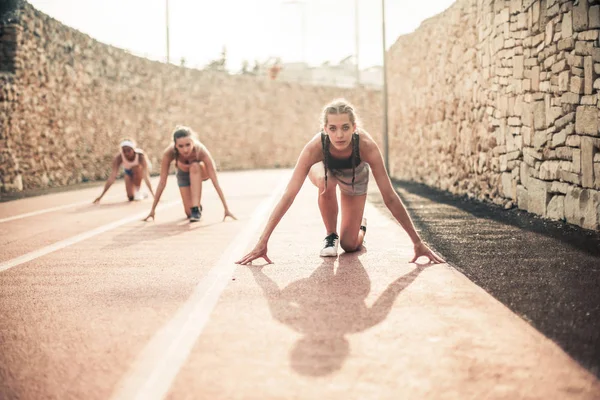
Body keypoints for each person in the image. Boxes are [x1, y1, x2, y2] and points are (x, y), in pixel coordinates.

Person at [237, 98, 444, 264]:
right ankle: (330, 235)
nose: (339, 134)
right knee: (327, 181)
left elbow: (389, 196)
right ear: (325, 129)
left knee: (350, 246)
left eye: (345, 127)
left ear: (354, 127)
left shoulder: (367, 146)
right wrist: (262, 242)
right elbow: (289, 195)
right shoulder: (314, 148)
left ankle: (359, 227)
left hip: (356, 176)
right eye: (333, 128)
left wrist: (417, 242)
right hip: (325, 171)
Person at [143, 125, 236, 222]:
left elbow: (215, 181)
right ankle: (195, 207)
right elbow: (162, 182)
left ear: (193, 142)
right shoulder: (169, 153)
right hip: (183, 174)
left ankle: (195, 208)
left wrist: (226, 209)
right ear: (175, 145)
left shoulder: (201, 151)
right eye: (181, 146)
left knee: (194, 166)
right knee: (188, 213)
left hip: (201, 172)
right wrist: (152, 210)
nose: (185, 150)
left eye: (188, 145)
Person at [93, 139, 154, 203]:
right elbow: (112, 177)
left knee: (135, 168)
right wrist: (101, 196)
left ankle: (137, 191)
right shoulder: (118, 158)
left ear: (133, 149)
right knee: (130, 197)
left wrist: (154, 195)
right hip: (128, 171)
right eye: (124, 151)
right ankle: (143, 194)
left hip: (141, 169)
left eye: (129, 150)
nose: (126, 153)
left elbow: (146, 177)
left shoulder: (140, 156)